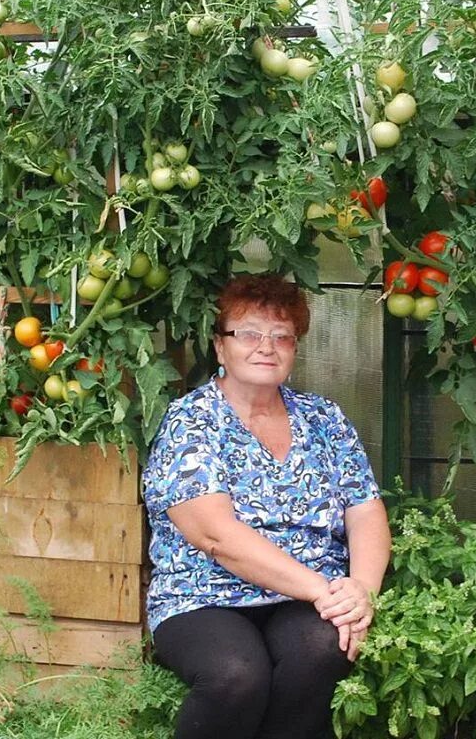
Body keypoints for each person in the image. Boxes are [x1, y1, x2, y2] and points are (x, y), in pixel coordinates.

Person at [142, 273, 392, 739]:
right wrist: (324, 591)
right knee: (236, 676)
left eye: (282, 336)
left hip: (304, 596)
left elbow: (365, 511)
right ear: (220, 347)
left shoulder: (324, 418)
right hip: (203, 596)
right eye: (249, 334)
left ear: (295, 349)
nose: (266, 347)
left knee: (324, 650)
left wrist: (360, 591)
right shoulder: (191, 421)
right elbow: (216, 535)